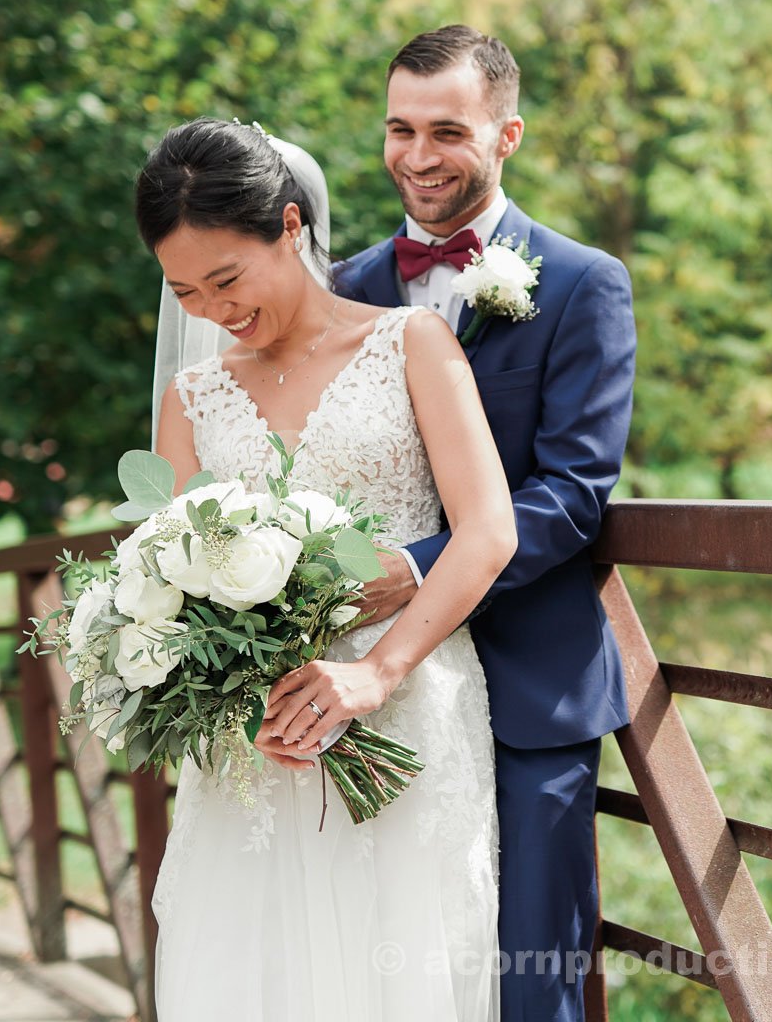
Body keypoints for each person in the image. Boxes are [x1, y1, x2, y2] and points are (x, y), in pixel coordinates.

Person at [137, 117, 517, 1020]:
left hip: (405, 712)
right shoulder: (191, 397)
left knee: (404, 972)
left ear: (293, 227)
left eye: (227, 278)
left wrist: (376, 672)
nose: (214, 310)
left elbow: (488, 531)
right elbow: (172, 583)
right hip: (257, 747)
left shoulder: (411, 343)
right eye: (184, 291)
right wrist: (227, 698)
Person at [319, 25, 637, 1022]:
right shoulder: (344, 292)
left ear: (507, 136)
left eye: (447, 131)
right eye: (399, 128)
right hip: (386, 686)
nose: (417, 155)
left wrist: (416, 567)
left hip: (531, 683)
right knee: (395, 961)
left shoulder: (584, 282)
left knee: (533, 975)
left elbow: (574, 491)